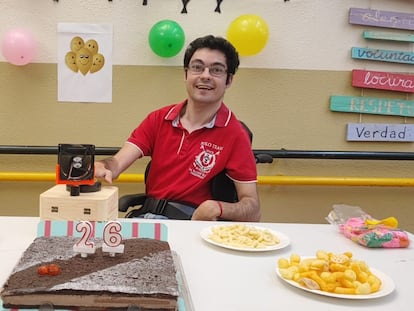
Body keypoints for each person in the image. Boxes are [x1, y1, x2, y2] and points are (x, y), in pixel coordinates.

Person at [95, 35, 260, 221]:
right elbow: (116, 164)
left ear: (229, 80)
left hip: (193, 225)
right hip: (146, 218)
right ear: (186, 74)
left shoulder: (235, 134)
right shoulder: (158, 119)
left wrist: (218, 208)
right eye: (197, 67)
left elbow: (252, 209)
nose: (205, 76)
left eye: (216, 70)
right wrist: (103, 165)